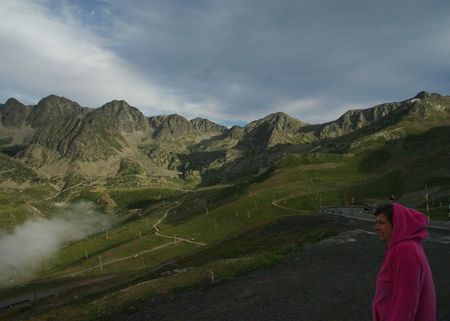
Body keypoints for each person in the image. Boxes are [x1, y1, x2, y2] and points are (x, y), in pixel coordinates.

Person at [372, 201, 436, 321]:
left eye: (381, 223)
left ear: (396, 224)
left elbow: (406, 303)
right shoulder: (402, 247)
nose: (376, 227)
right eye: (376, 222)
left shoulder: (405, 251)